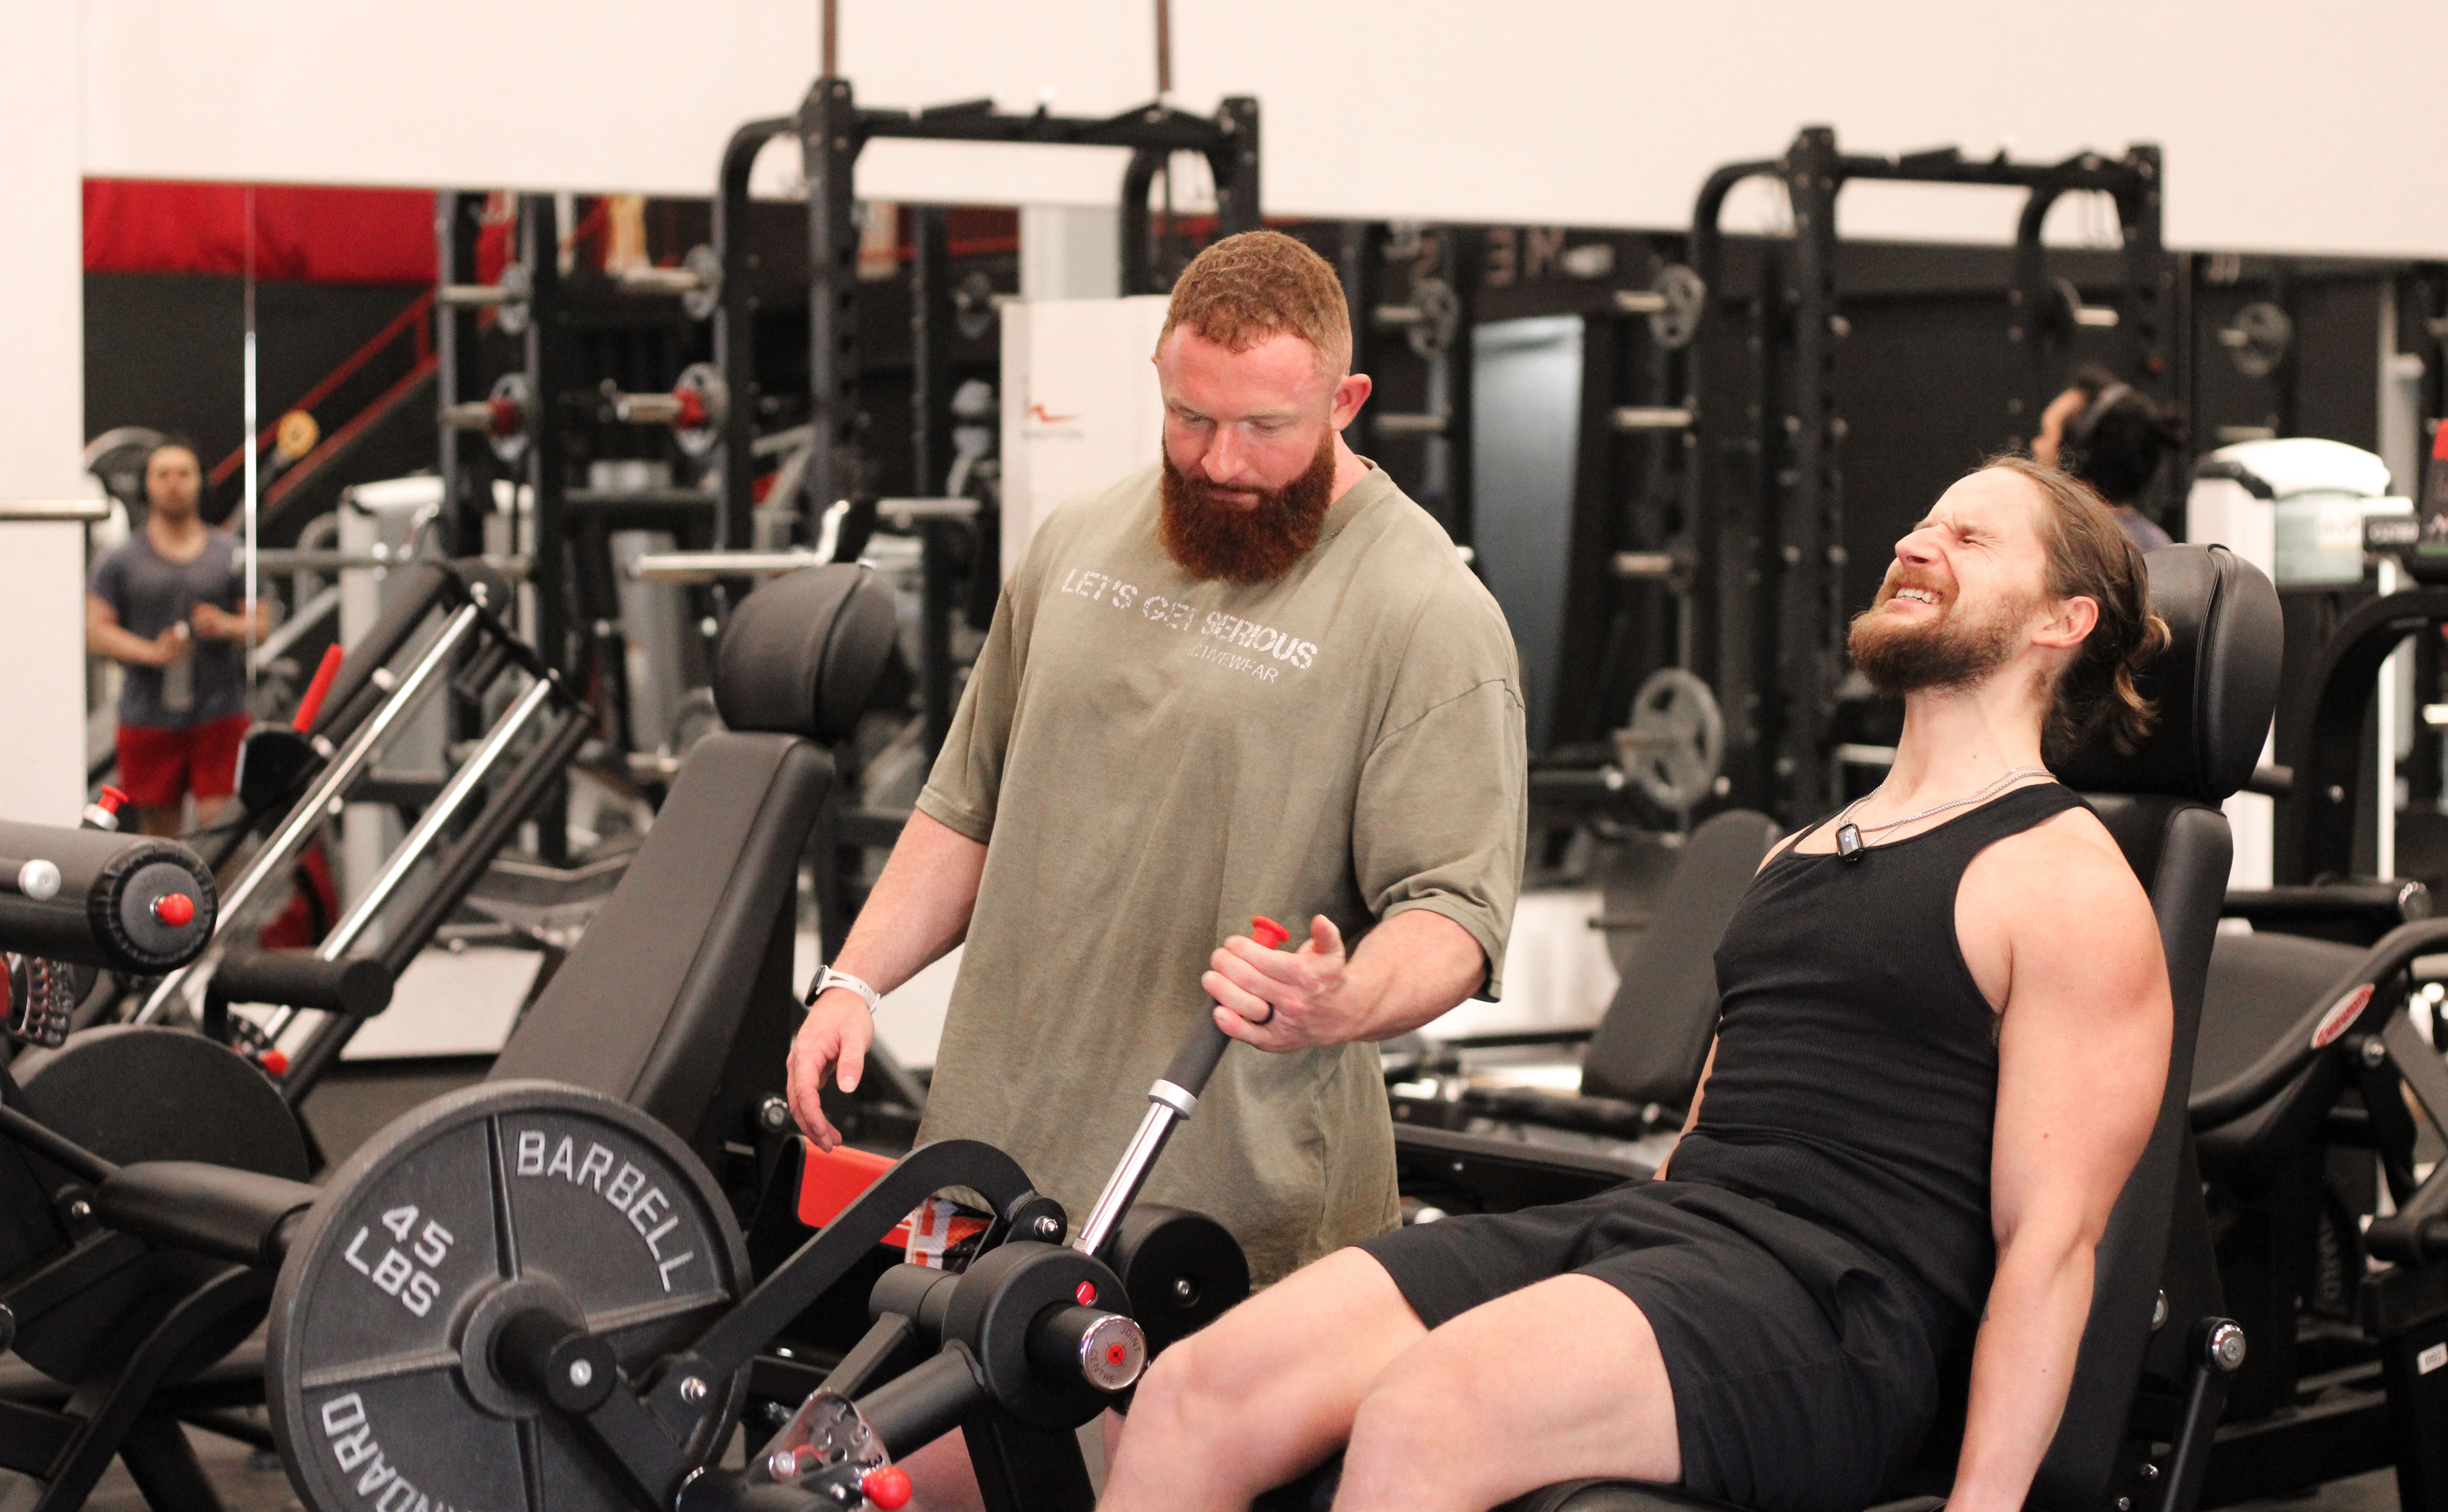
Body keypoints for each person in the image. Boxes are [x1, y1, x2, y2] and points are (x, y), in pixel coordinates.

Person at [1102, 459, 2174, 1512]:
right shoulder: (1793, 854)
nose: (1914, 543)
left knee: (1429, 1410)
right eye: (1921, 524)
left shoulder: (2066, 879)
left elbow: (2052, 1244)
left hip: (1838, 1312)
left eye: (1971, 538)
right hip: (1667, 1234)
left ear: (2062, 621)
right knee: (1200, 1386)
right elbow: (1703, 1136)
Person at [785, 231, 1526, 1268]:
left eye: (1265, 427)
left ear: (1344, 401)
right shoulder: (1077, 540)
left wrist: (1342, 998)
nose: (1221, 463)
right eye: (1191, 419)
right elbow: (968, 803)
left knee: (1151, 1436)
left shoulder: (1425, 611)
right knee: (908, 1414)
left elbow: (1453, 912)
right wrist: (853, 986)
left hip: (1221, 1182)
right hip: (990, 1135)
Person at [87, 438, 266, 838]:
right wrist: (153, 653)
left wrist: (227, 625)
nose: (173, 484)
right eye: (162, 474)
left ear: (199, 482)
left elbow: (262, 624)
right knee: (157, 836)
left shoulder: (229, 554)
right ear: (146, 485)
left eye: (183, 474)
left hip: (219, 714)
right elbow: (96, 632)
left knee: (220, 832)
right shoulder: (121, 561)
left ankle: (222, 902)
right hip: (147, 716)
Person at [2033, 365, 2186, 550]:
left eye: (2046, 434)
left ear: (2079, 458)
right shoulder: (2159, 546)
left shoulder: (2063, 552)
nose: (2037, 445)